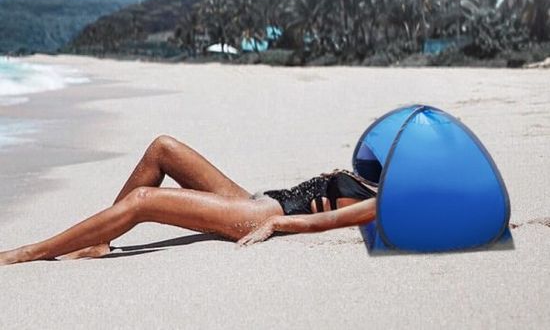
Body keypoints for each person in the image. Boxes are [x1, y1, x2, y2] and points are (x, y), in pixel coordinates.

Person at [0, 134, 377, 266]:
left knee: (144, 200)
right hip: (257, 199)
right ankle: (100, 241)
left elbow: (334, 220)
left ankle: (30, 252)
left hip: (258, 215)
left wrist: (279, 223)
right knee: (162, 148)